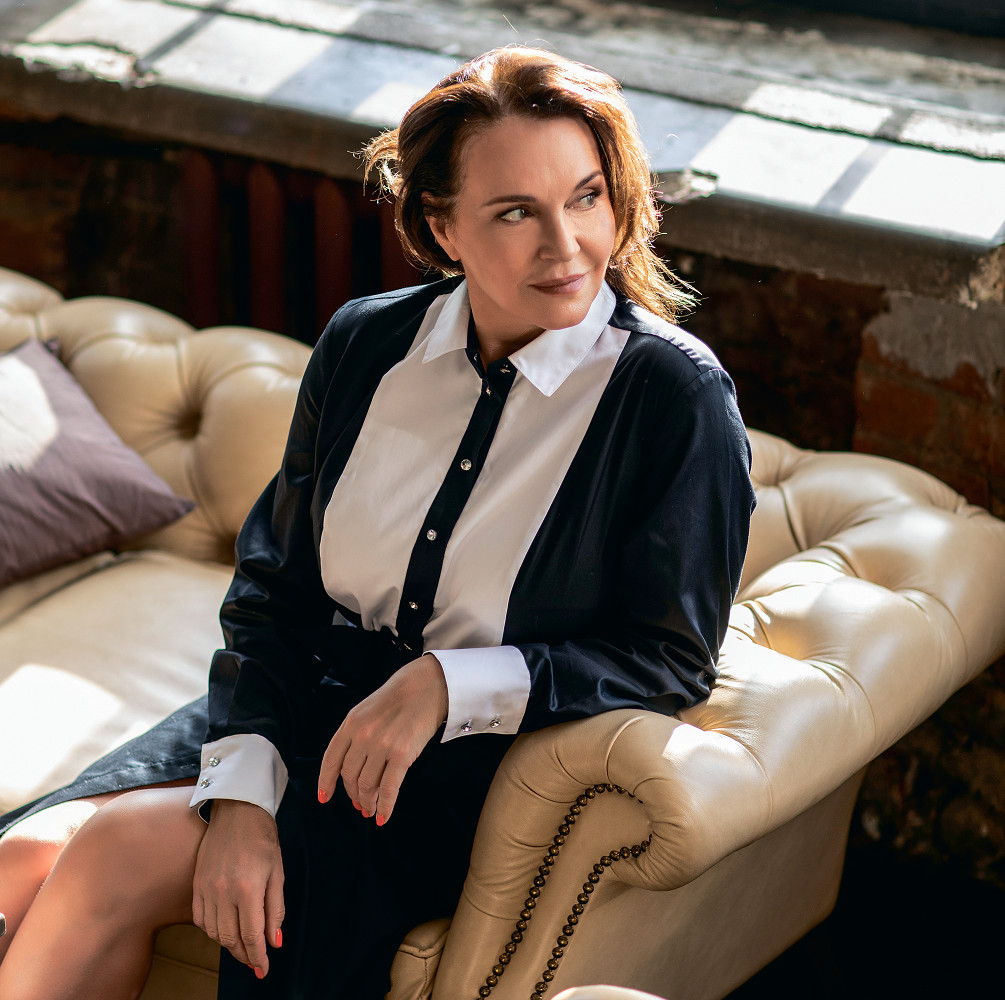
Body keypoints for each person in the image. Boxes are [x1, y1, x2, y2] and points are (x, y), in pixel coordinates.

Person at [0, 44, 756, 1000]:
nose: (565, 245)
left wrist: (449, 682)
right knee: (21, 859)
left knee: (111, 854)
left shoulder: (672, 397)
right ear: (441, 225)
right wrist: (240, 798)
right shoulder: (366, 343)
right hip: (302, 698)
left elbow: (668, 658)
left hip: (457, 771)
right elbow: (273, 591)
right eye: (515, 212)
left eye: (586, 198)